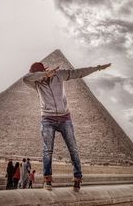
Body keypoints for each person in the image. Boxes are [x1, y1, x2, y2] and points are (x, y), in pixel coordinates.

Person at [23, 61, 111, 191]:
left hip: (65, 118)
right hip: (47, 119)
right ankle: (47, 179)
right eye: (37, 74)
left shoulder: (59, 75)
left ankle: (77, 178)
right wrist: (44, 74)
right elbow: (25, 78)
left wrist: (97, 68)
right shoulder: (36, 83)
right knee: (47, 150)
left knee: (73, 149)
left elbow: (78, 73)